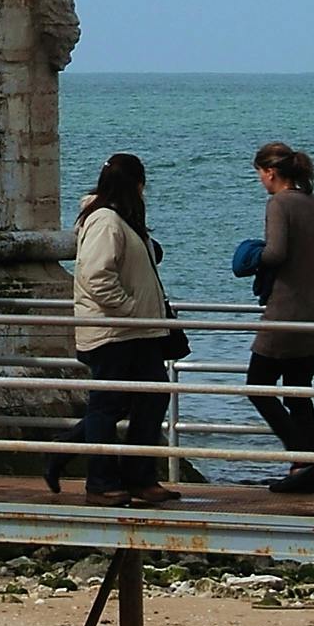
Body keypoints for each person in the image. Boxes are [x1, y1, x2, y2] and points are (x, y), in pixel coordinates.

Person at [67, 151, 175, 506]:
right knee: (107, 406)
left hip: (137, 331)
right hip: (115, 331)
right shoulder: (105, 221)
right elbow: (96, 276)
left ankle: (139, 476)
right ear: (136, 185)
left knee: (153, 397)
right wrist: (129, 308)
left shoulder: (120, 219)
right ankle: (100, 483)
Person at [237, 140, 314, 497]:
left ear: (271, 172)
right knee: (298, 394)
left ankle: (303, 457)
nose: (260, 180)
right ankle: (303, 475)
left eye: (260, 174)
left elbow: (275, 253)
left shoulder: (279, 203)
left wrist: (252, 257)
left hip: (284, 310)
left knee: (258, 385)